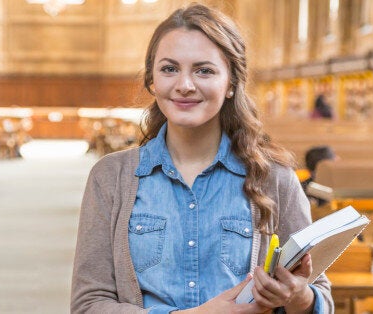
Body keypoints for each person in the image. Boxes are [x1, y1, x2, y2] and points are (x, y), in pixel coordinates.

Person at [71, 4, 332, 314]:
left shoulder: (275, 178)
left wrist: (298, 296)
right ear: (152, 80)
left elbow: (320, 298)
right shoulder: (111, 177)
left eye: (204, 70)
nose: (185, 85)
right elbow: (89, 305)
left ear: (232, 83)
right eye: (169, 69)